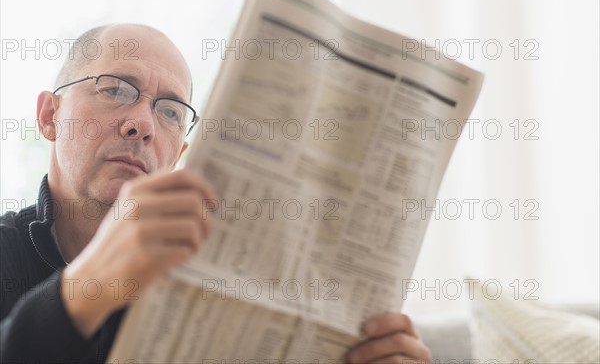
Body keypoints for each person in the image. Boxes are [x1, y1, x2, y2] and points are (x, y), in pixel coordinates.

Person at [0, 24, 432, 363]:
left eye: (170, 111)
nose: (143, 125)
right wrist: (92, 285)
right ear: (49, 116)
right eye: (115, 89)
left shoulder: (214, 281)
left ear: (180, 153)